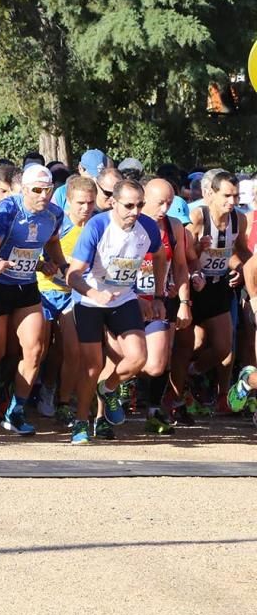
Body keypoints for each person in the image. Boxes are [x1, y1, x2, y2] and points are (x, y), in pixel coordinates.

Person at [0, 165, 67, 435]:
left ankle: (16, 411)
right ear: (25, 189)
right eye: (37, 190)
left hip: (27, 286)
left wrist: (55, 263)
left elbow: (52, 241)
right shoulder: (7, 210)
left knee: (34, 350)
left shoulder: (54, 213)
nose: (43, 195)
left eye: (48, 190)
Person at [66, 179, 166, 444]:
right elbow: (72, 275)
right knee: (92, 365)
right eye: (129, 205)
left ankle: (108, 388)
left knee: (137, 357)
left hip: (123, 299)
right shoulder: (98, 227)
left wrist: (157, 295)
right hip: (89, 301)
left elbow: (159, 256)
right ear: (113, 202)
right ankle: (80, 421)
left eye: (140, 205)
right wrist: (94, 293)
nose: (135, 211)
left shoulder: (147, 228)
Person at [32, 176, 97, 426]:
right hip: (44, 291)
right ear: (68, 200)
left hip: (75, 295)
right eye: (80, 202)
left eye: (90, 203)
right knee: (41, 348)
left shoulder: (98, 225)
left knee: (73, 350)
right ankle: (33, 389)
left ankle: (62, 401)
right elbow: (34, 254)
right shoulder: (57, 224)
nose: (86, 208)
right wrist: (45, 266)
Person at [134, 175, 192, 434]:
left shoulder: (174, 226)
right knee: (129, 357)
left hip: (159, 299)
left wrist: (184, 302)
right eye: (159, 203)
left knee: (158, 361)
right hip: (127, 300)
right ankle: (109, 399)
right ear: (144, 199)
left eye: (169, 202)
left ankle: (154, 409)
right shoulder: (127, 222)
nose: (164, 209)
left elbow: (180, 266)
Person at [187, 171, 249, 414]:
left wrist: (243, 269)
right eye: (226, 196)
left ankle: (193, 375)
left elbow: (240, 250)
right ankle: (178, 387)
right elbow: (182, 254)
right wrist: (196, 248)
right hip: (195, 287)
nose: (232, 202)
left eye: (235, 196)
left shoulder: (238, 219)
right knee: (196, 342)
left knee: (224, 346)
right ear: (210, 194)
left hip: (220, 285)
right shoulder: (198, 217)